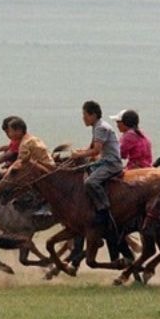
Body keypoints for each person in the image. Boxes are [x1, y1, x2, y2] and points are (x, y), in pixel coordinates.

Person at [69, 100, 124, 242]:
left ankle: (103, 209)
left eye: (85, 115)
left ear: (93, 115)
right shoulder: (96, 127)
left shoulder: (100, 128)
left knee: (90, 182)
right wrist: (80, 152)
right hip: (103, 161)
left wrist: (79, 155)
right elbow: (91, 148)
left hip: (111, 163)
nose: (83, 118)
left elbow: (96, 150)